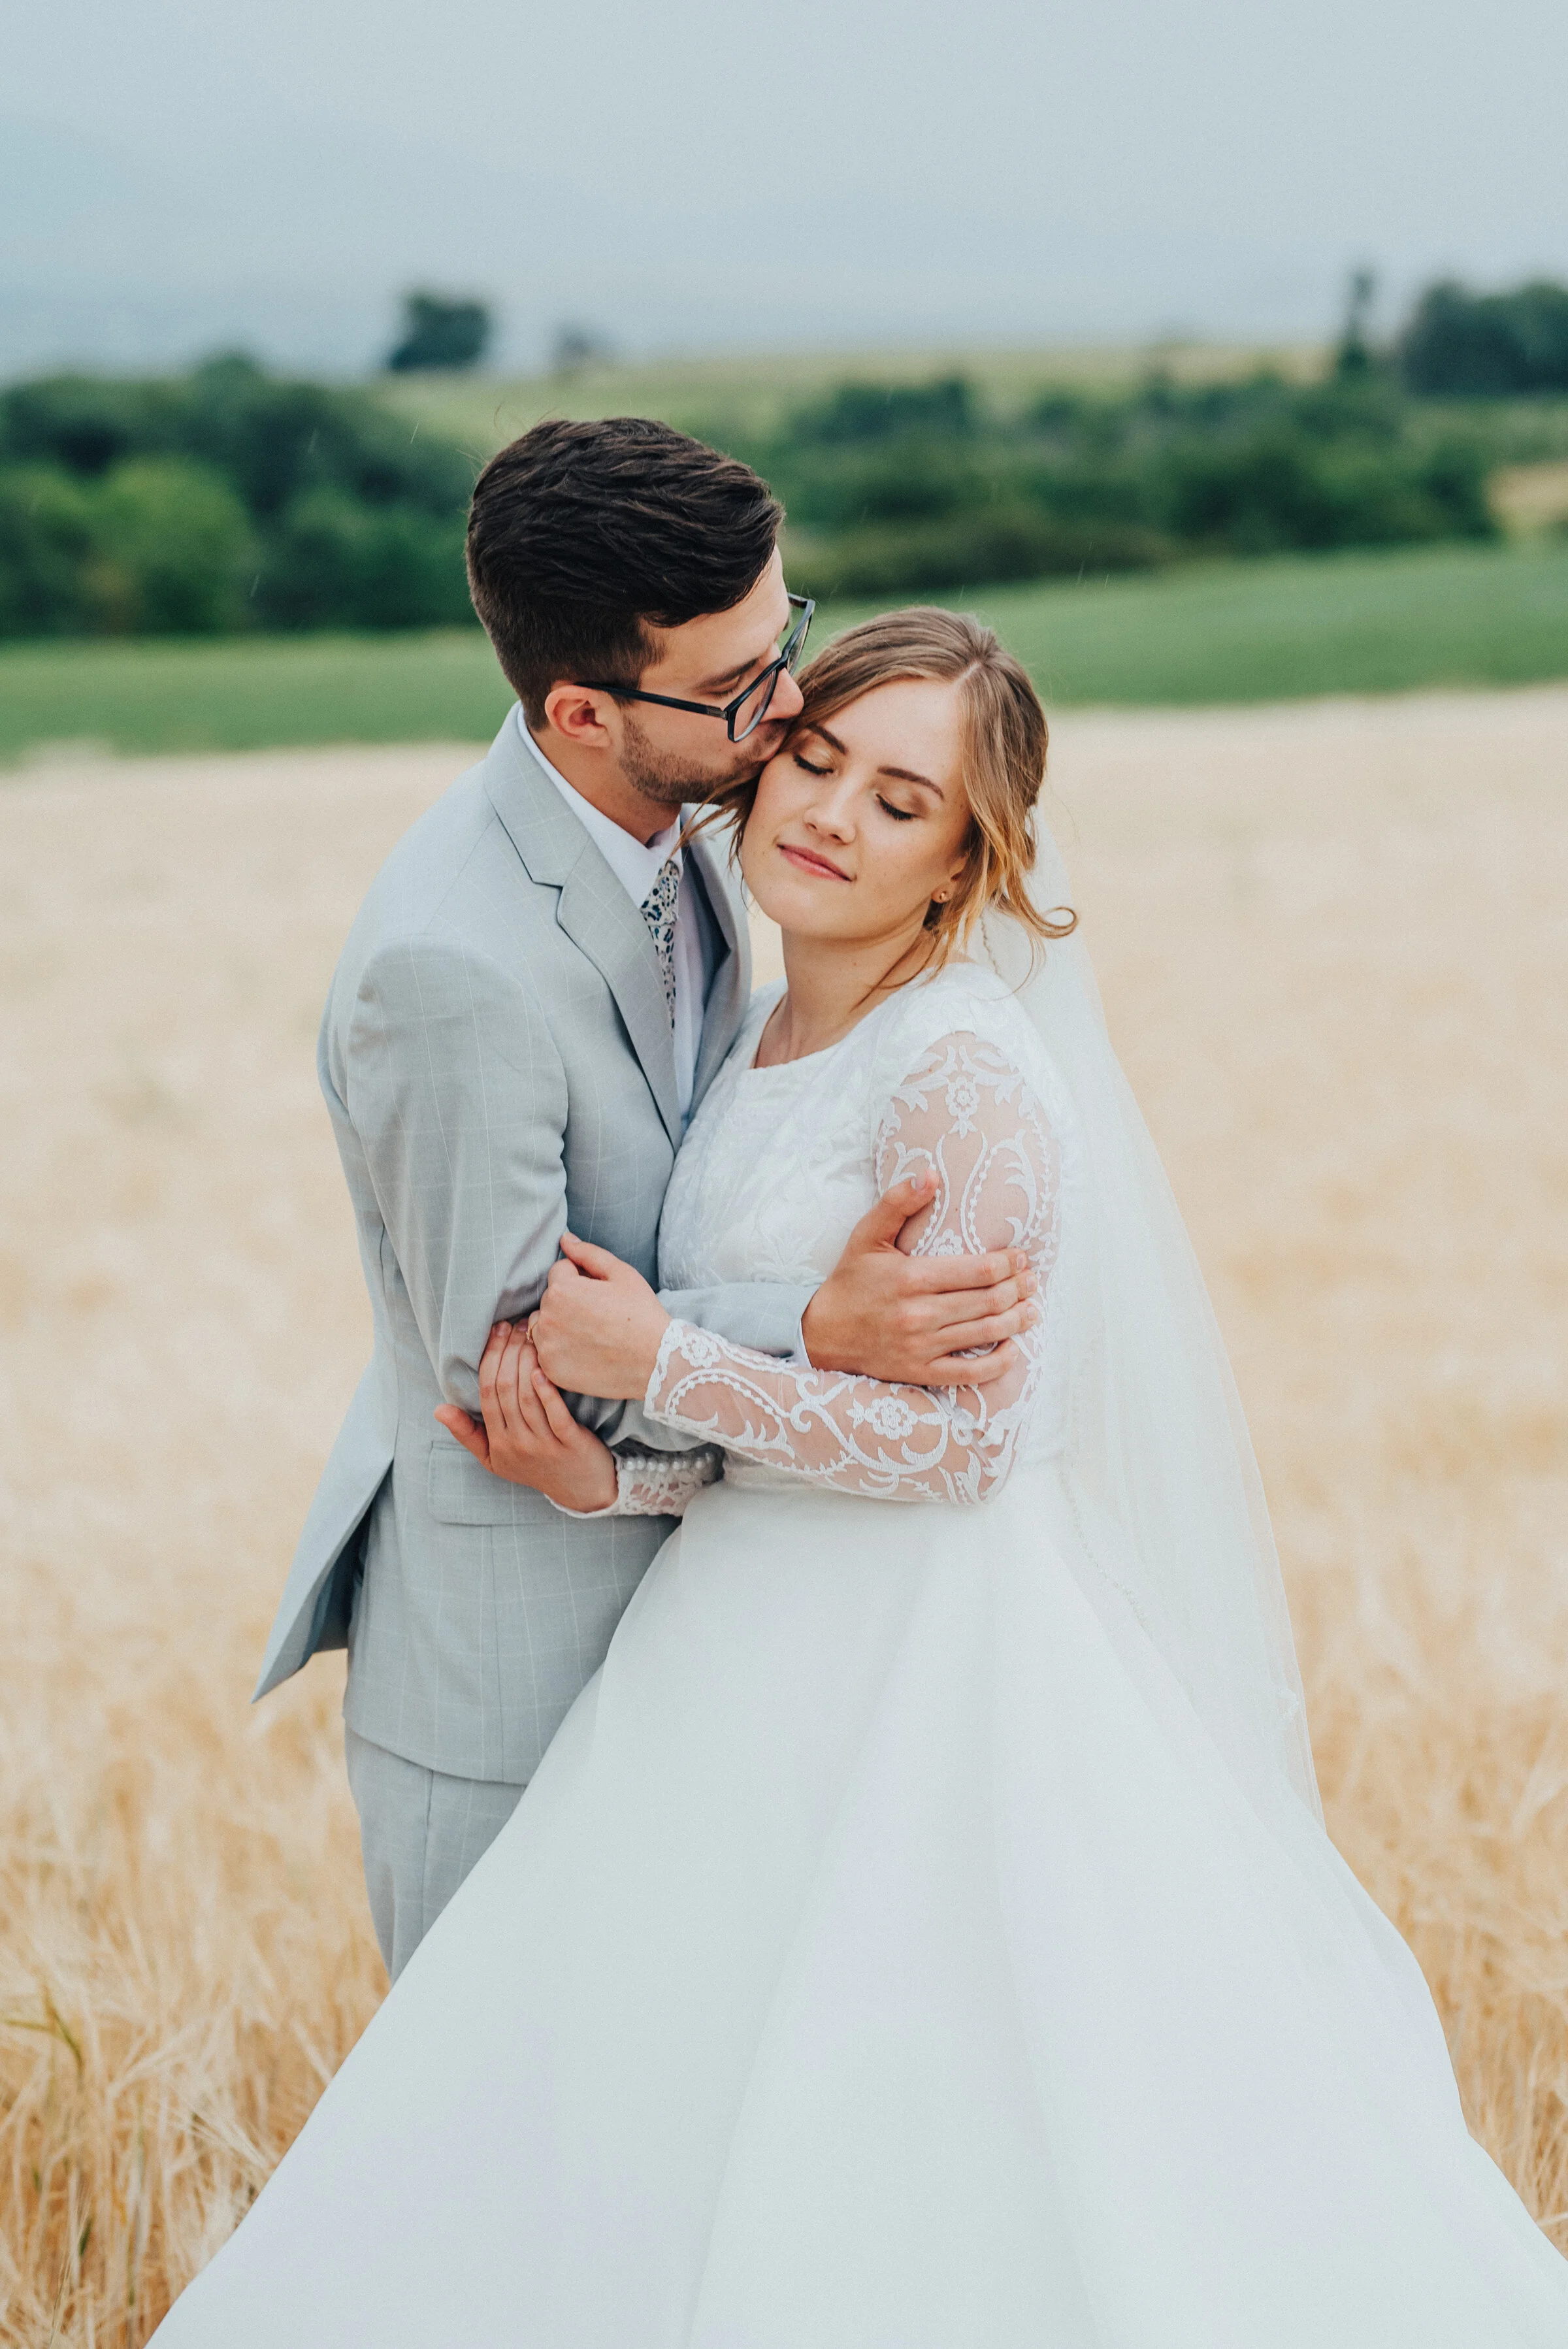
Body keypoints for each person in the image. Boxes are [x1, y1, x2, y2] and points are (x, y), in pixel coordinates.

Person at [155, 610, 1568, 2345]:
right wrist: (609, 1485)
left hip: (925, 1668)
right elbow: (803, 1417)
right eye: (815, 760)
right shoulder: (759, 1028)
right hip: (725, 1645)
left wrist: (654, 1362)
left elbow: (964, 1449)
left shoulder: (961, 1075)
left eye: (901, 802)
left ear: (966, 862)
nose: (830, 813)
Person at [252, 421, 1031, 1980]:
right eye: (742, 683)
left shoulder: (687, 835)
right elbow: (524, 1359)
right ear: (582, 712)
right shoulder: (453, 966)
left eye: (785, 639)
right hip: (513, 1665)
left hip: (722, 1630)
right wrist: (815, 1327)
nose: (790, 706)